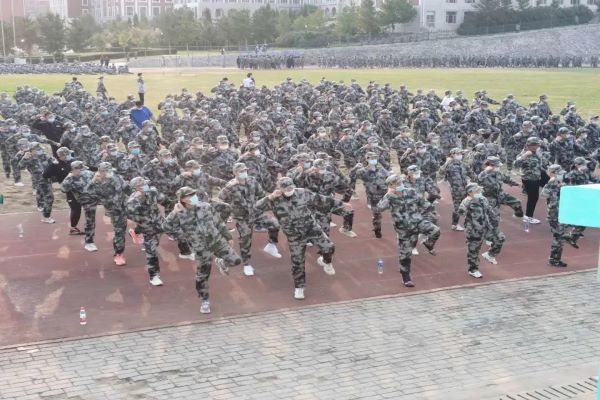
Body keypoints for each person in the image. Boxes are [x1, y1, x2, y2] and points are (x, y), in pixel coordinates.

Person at [255, 177, 353, 299]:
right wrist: (270, 197)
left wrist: (342, 204)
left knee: (329, 247)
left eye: (291, 187)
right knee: (298, 262)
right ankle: (299, 287)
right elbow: (257, 207)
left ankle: (325, 261)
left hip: (311, 228)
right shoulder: (274, 200)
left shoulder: (302, 193)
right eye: (287, 189)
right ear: (280, 189)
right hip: (294, 235)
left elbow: (322, 200)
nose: (290, 190)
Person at [162, 187, 242, 314]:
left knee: (236, 260)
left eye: (194, 194)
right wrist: (174, 214)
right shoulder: (178, 214)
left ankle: (221, 262)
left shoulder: (205, 206)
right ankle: (205, 300)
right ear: (183, 199)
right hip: (201, 248)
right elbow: (165, 227)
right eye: (190, 195)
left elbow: (218, 222)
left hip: (217, 241)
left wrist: (228, 236)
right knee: (202, 276)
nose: (194, 197)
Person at [218, 162, 282, 277]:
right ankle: (247, 264)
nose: (244, 172)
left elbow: (261, 194)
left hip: (256, 212)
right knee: (245, 239)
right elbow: (220, 197)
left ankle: (271, 246)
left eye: (245, 170)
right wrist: (228, 187)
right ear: (235, 173)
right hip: (242, 217)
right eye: (241, 171)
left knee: (274, 224)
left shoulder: (252, 180)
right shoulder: (231, 185)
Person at [375, 175, 440, 287]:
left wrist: (430, 214)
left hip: (418, 222)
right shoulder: (389, 197)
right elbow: (379, 208)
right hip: (403, 229)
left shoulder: (411, 191)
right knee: (405, 254)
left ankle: (428, 244)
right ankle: (406, 277)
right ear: (391, 185)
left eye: (401, 182)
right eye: (397, 183)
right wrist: (388, 195)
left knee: (435, 230)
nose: (400, 185)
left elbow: (425, 204)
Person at [458, 183, 505, 278]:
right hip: (474, 230)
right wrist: (468, 203)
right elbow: (461, 212)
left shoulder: (483, 199)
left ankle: (490, 254)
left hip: (487, 227)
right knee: (474, 250)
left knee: (500, 238)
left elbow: (489, 210)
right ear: (470, 192)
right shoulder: (466, 201)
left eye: (479, 190)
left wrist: (495, 219)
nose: (480, 191)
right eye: (477, 191)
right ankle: (473, 270)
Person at [85, 162, 128, 265]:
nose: (108, 173)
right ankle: (119, 254)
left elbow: (125, 187)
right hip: (114, 210)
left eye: (109, 171)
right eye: (105, 171)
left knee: (124, 228)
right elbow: (88, 192)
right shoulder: (97, 182)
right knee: (119, 231)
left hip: (125, 206)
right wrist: (93, 181)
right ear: (100, 172)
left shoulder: (116, 177)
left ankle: (136, 232)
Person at [126, 177, 165, 286]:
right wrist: (143, 221)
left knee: (156, 243)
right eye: (140, 185)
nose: (144, 186)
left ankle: (135, 232)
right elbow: (129, 214)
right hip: (147, 228)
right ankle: (154, 276)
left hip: (159, 223)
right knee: (151, 251)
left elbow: (162, 199)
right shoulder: (133, 200)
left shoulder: (152, 192)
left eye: (144, 183)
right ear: (135, 188)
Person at [61, 161, 98, 251]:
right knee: (89, 221)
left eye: (82, 169)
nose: (81, 171)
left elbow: (96, 177)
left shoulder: (87, 173)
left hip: (93, 199)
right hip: (84, 201)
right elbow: (63, 189)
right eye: (78, 169)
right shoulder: (70, 178)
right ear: (73, 170)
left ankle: (89, 241)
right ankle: (89, 242)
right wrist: (69, 177)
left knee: (91, 221)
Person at [513, 137, 546, 225]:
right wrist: (524, 156)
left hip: (539, 174)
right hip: (530, 179)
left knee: (552, 186)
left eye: (537, 145)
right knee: (533, 197)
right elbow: (515, 165)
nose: (536, 147)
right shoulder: (524, 153)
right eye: (533, 145)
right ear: (528, 145)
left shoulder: (537, 152)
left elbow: (540, 162)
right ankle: (528, 217)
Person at [541, 164, 568, 267]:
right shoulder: (552, 182)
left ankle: (555, 259)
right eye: (559, 173)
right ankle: (554, 260)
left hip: (560, 212)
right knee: (558, 237)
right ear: (553, 173)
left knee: (560, 237)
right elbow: (544, 194)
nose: (561, 175)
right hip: (554, 214)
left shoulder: (560, 182)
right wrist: (555, 188)